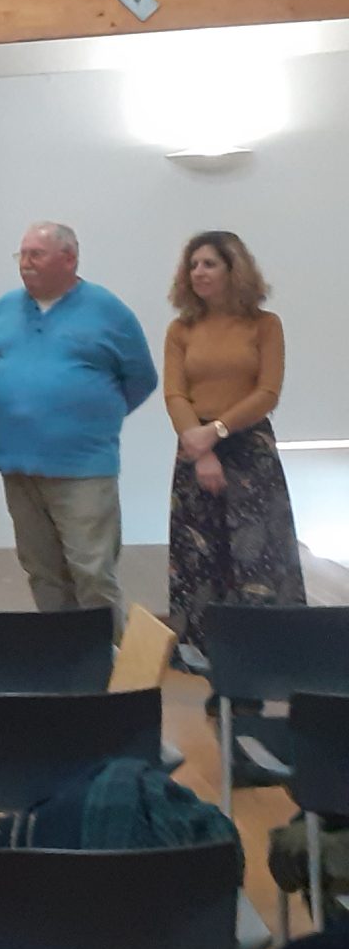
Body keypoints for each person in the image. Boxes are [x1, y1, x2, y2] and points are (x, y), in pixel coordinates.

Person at [0, 222, 156, 628]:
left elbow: (141, 379)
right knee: (41, 572)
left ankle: (108, 663)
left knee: (92, 573)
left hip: (83, 468)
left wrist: (87, 418)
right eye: (21, 255)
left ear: (69, 259)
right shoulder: (3, 309)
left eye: (36, 255)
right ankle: (63, 658)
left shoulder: (107, 310)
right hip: (18, 466)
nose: (25, 263)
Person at [162, 230, 305, 644]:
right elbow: (175, 394)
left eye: (209, 264)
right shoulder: (181, 329)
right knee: (201, 556)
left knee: (257, 556)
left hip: (248, 447)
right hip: (195, 449)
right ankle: (206, 657)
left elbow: (267, 392)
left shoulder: (264, 325)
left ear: (233, 270)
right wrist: (201, 447)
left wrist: (217, 431)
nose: (198, 272)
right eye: (193, 265)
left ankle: (264, 656)